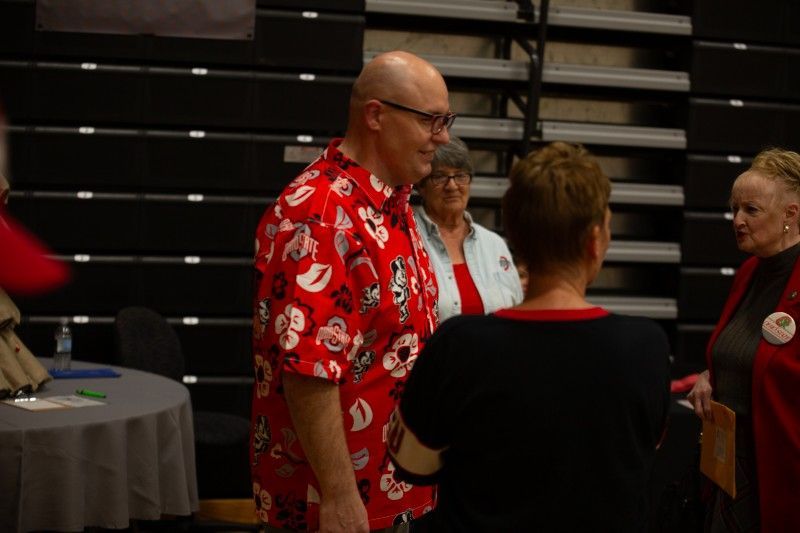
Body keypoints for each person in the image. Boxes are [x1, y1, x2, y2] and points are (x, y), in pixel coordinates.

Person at [387, 141, 671, 532]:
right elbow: (644, 450)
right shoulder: (646, 347)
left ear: (515, 236)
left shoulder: (459, 345)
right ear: (595, 241)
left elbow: (412, 465)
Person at [251, 51, 453, 532]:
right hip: (338, 506)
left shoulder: (391, 202)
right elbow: (308, 370)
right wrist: (340, 499)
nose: (442, 137)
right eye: (431, 120)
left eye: (446, 121)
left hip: (394, 494)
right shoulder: (322, 216)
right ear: (376, 116)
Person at [687, 147, 800, 532]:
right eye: (735, 209)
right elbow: (740, 351)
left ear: (790, 215)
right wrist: (710, 374)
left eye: (751, 210)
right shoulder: (750, 272)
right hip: (729, 467)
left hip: (778, 470)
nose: (737, 220)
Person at [413, 136, 522, 321]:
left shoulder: (494, 244)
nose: (452, 186)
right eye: (439, 177)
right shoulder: (408, 238)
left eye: (460, 175)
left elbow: (516, 312)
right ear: (421, 186)